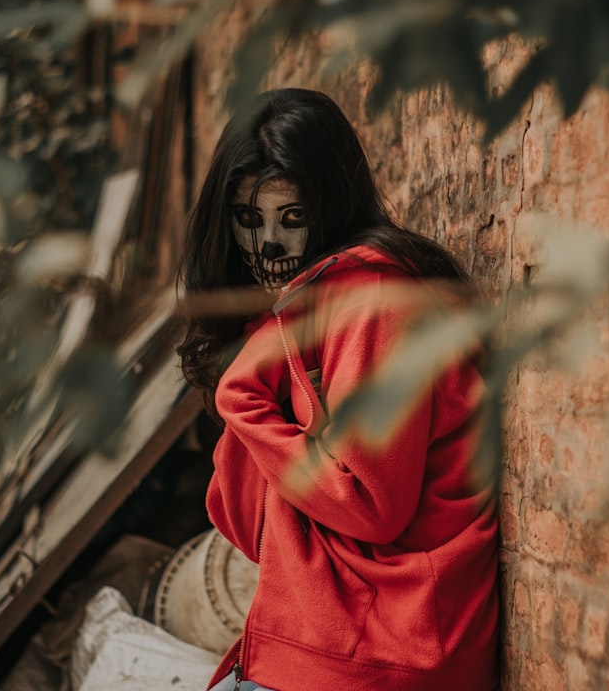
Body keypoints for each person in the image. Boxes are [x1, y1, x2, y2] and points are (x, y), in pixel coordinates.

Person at [177, 88, 499, 690]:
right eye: (249, 221)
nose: (267, 245)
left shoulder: (373, 301)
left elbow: (369, 506)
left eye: (292, 218)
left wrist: (244, 397)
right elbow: (250, 529)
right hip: (325, 645)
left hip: (384, 655)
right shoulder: (297, 314)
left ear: (330, 211)